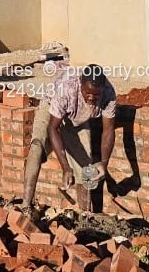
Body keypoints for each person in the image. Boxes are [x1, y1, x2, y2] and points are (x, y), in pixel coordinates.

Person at [20, 52, 118, 215]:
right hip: (51, 109)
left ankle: (85, 215)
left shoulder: (108, 93)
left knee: (86, 169)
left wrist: (104, 163)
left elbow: (108, 130)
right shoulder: (67, 88)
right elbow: (53, 128)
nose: (91, 98)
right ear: (81, 84)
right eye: (87, 93)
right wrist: (65, 167)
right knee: (37, 147)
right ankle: (26, 206)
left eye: (96, 95)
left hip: (77, 118)